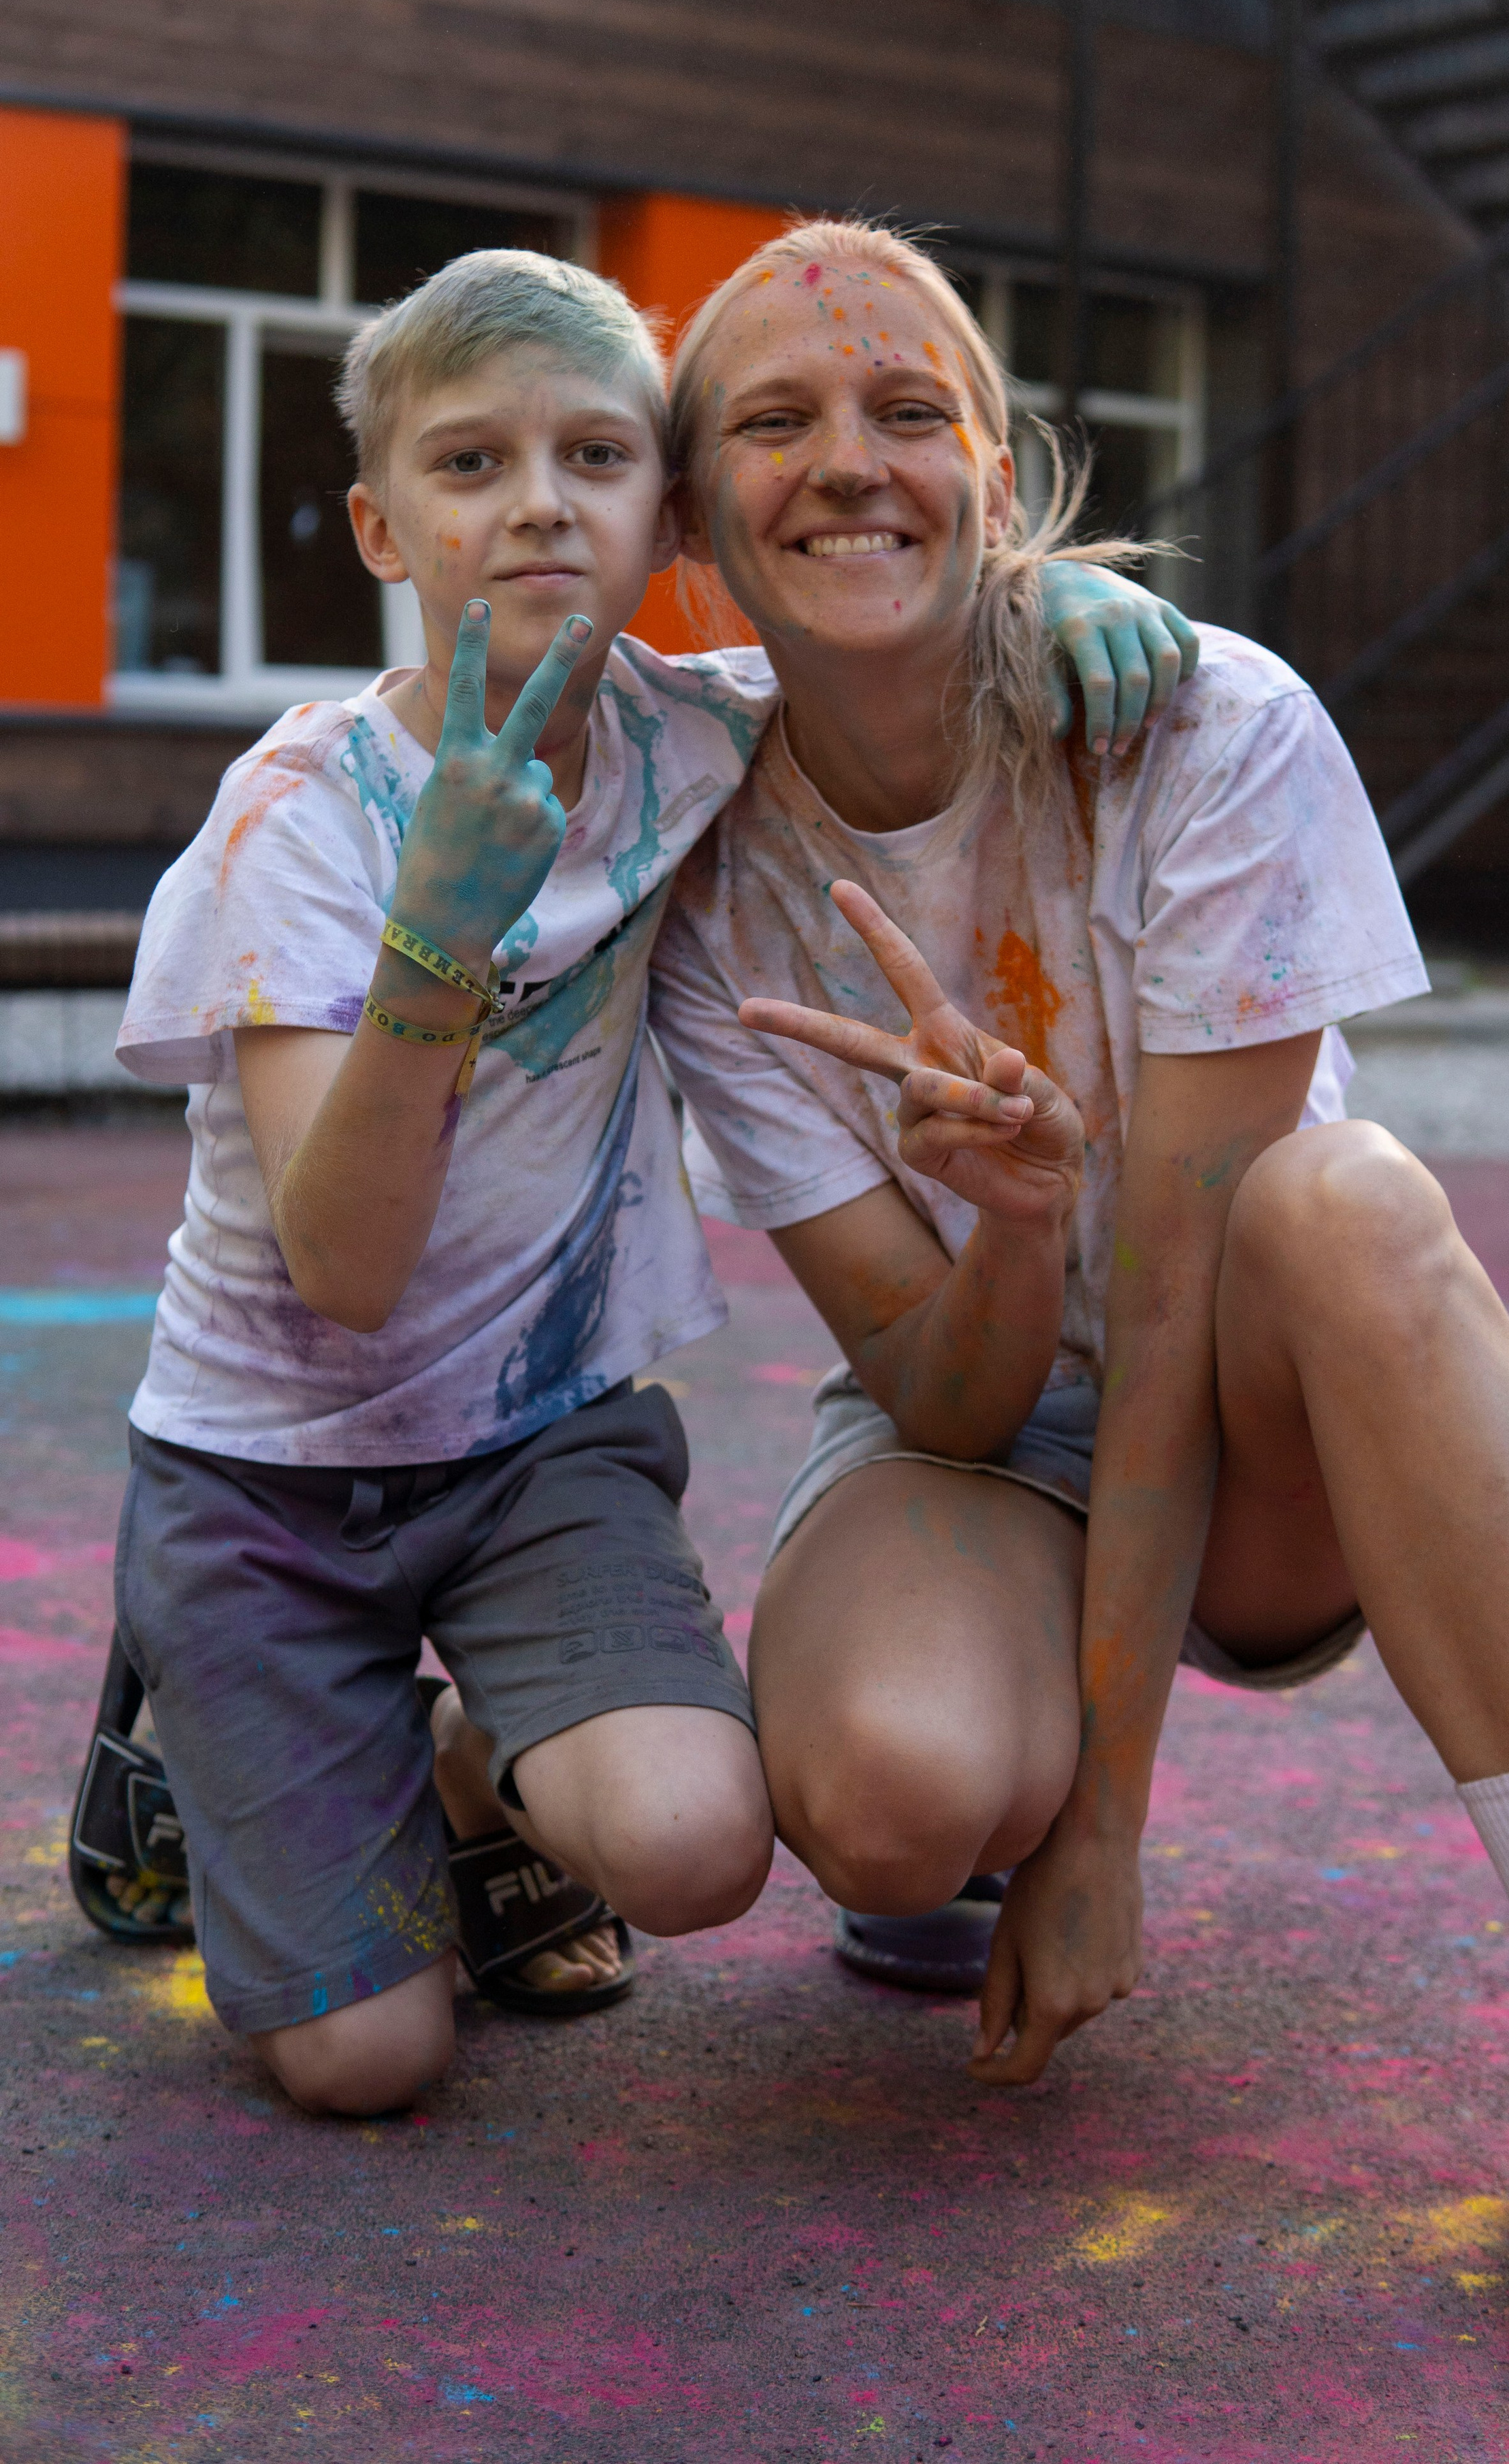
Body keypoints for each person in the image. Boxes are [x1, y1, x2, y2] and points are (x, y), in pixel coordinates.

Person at [648, 216, 1509, 2371]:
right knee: (880, 1807)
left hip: (1249, 1417)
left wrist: (1115, 1841)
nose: (848, 462)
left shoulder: (1203, 724)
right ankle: (992, 1802)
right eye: (775, 420)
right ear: (693, 517)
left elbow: (1177, 1302)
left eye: (910, 414)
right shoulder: (699, 843)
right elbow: (938, 1398)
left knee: (1342, 1203)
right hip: (994, 1422)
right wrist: (1024, 1217)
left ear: (997, 466)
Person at [74, 246, 1193, 2116]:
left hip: (538, 1449)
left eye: (595, 458)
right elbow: (344, 1268)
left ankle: (448, 1765)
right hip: (267, 1473)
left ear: (664, 514)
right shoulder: (292, 831)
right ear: (376, 523)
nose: (535, 504)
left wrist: (1050, 590)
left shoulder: (695, 737)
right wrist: (441, 933)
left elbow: (888, 633)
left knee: (694, 1845)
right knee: (367, 2064)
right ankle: (193, 1724)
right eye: (468, 464)